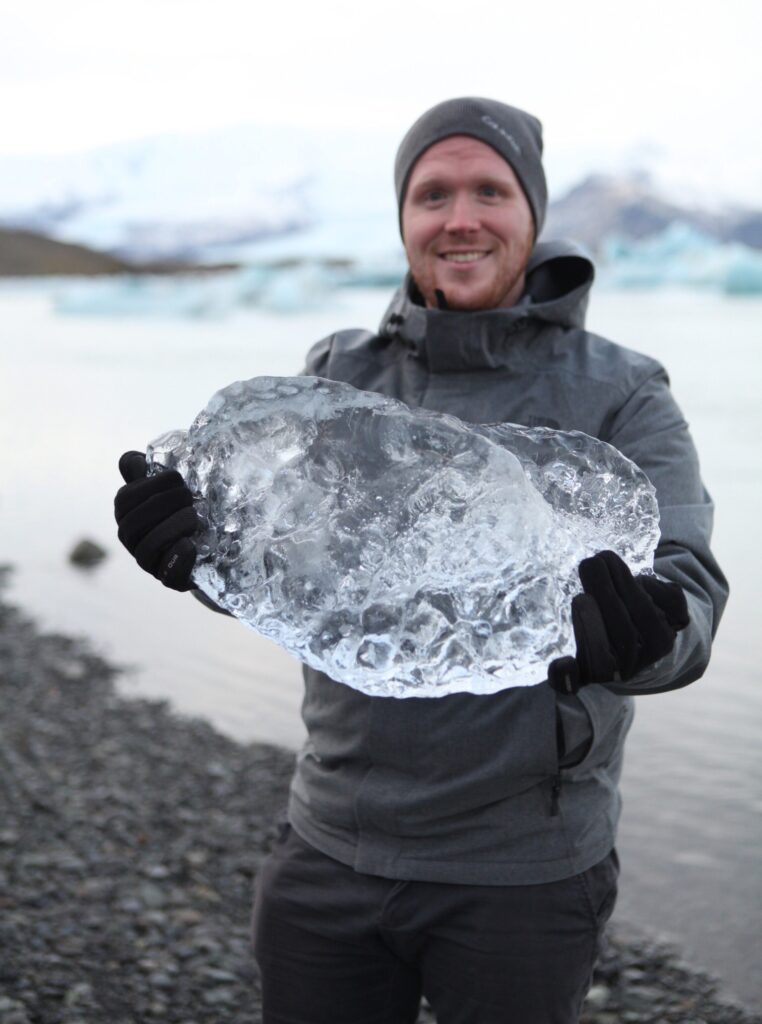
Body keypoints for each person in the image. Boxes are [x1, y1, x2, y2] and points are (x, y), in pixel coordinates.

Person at [114, 98, 728, 1024]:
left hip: (522, 871)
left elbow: (688, 586)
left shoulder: (623, 390)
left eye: (490, 189)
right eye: (432, 194)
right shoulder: (337, 373)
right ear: (405, 219)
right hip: (329, 843)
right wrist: (201, 558)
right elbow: (310, 579)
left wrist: (647, 641)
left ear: (532, 211)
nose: (461, 218)